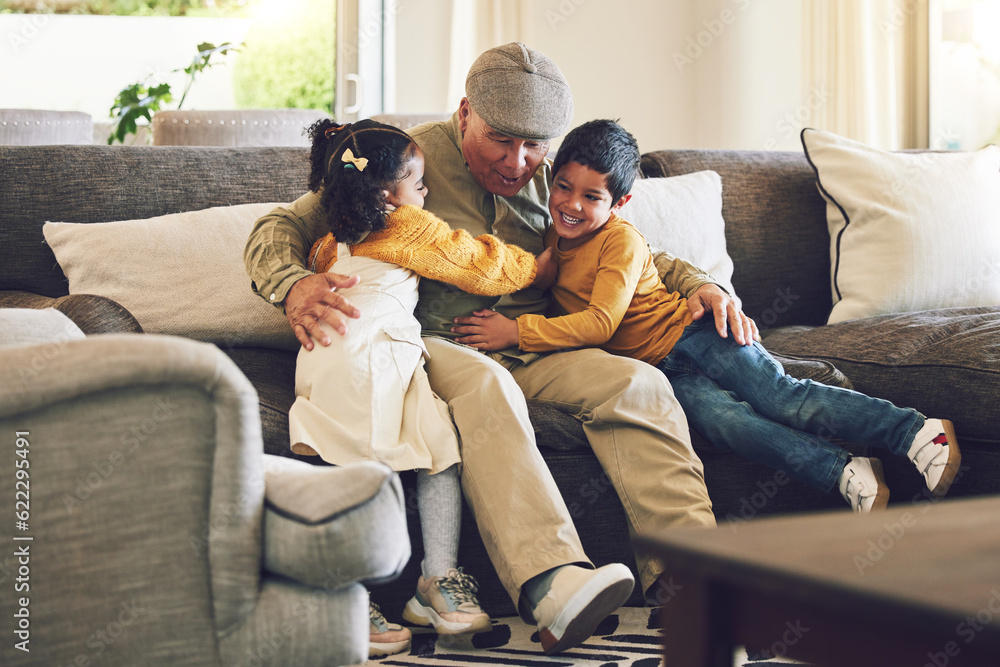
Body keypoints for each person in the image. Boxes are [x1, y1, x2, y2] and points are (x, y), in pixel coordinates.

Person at [245, 43, 739, 654]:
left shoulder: (552, 180)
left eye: (534, 145)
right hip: (436, 345)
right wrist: (293, 284)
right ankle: (552, 584)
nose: (518, 161)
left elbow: (633, 249)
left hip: (539, 341)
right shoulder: (407, 162)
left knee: (639, 384)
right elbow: (280, 227)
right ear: (464, 114)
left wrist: (703, 284)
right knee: (487, 385)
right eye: (501, 141)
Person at [464, 118, 963, 514]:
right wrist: (540, 276)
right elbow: (566, 285)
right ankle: (841, 471)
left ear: (621, 202)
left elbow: (600, 324)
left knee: (782, 396)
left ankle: (915, 431)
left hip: (696, 334)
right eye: (565, 188)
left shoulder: (620, 239)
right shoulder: (558, 230)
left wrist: (516, 331)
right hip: (661, 370)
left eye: (591, 197)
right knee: (726, 424)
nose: (571, 204)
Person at [290, 118, 551, 656]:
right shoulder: (410, 225)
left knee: (438, 448)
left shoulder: (328, 244)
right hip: (369, 357)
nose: (426, 192)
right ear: (390, 197)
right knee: (374, 469)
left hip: (345, 356)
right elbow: (478, 264)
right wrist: (540, 266)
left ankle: (435, 583)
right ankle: (351, 598)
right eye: (418, 183)